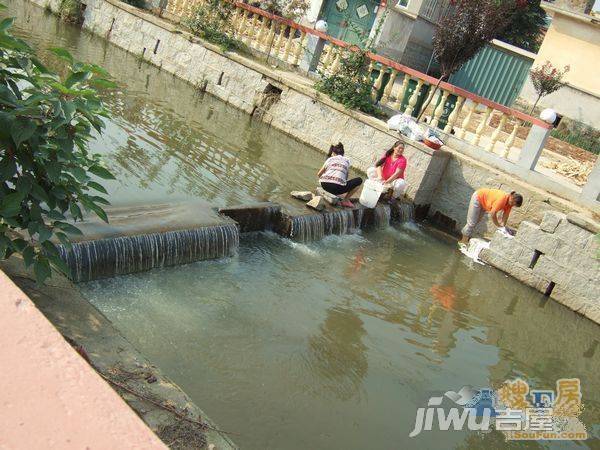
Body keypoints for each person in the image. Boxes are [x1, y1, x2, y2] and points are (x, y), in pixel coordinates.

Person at [318, 143, 363, 208]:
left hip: (324, 185)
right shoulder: (347, 160)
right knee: (359, 180)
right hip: (336, 189)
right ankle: (345, 200)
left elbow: (319, 174)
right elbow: (345, 178)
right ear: (343, 154)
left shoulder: (329, 159)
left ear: (333, 153)